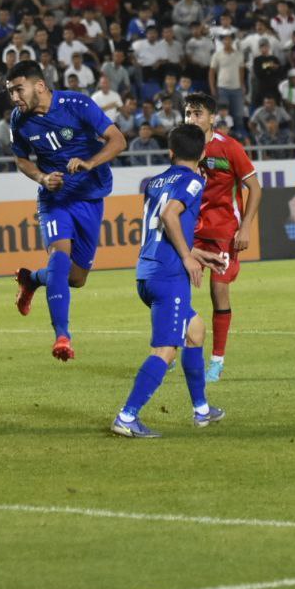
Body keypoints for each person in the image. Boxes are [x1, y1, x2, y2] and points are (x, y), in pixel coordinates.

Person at [110, 124, 226, 438]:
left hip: (148, 271)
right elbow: (169, 217)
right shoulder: (193, 180)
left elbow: (161, 231)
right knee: (165, 350)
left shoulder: (156, 181)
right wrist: (188, 259)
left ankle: (202, 410)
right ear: (202, 154)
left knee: (196, 330)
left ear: (170, 152)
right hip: (168, 276)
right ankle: (127, 416)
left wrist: (197, 252)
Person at [9, 60, 128, 361]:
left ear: (39, 86)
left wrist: (90, 162)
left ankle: (32, 279)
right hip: (55, 199)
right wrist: (41, 178)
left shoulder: (77, 103)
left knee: (76, 278)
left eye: (18, 90)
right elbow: (21, 160)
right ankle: (62, 336)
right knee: (59, 258)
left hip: (90, 196)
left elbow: (118, 140)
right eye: (10, 92)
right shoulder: (18, 120)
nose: (14, 98)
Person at [182, 93, 262, 382]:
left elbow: (255, 187)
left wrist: (246, 227)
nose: (191, 119)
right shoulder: (183, 147)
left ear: (212, 117)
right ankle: (172, 348)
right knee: (175, 290)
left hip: (225, 230)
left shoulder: (230, 148)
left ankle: (216, 361)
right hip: (193, 230)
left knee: (219, 290)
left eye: (197, 114)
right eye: (188, 113)